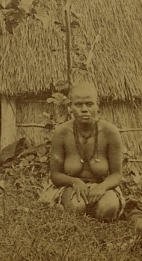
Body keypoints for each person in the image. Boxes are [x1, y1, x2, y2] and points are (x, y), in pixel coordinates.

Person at [49, 81, 124, 221]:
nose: (84, 109)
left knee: (108, 208)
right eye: (78, 105)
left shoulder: (110, 132)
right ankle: (68, 207)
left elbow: (117, 175)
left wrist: (103, 187)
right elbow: (55, 175)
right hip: (71, 187)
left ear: (97, 106)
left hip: (102, 186)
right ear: (70, 107)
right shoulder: (61, 133)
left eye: (89, 104)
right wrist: (74, 181)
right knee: (76, 208)